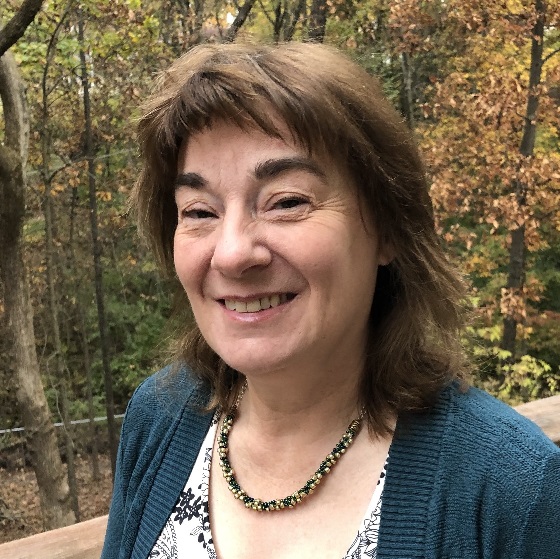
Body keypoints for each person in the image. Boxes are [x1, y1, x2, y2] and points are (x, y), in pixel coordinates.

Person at [101, 42, 560, 559]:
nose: (231, 254)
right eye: (200, 211)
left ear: (387, 228)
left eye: (286, 202)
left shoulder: (511, 489)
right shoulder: (159, 417)